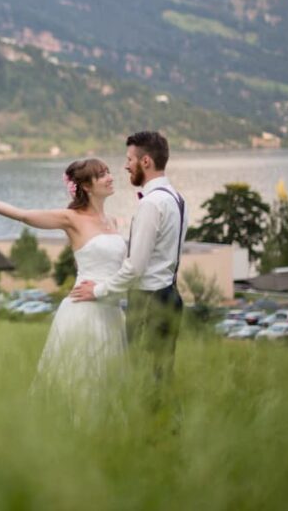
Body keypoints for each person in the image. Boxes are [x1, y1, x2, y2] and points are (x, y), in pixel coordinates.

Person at [0, 158, 127, 413]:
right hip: (84, 311)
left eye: (108, 172)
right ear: (87, 186)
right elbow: (23, 215)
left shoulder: (113, 222)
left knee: (111, 383)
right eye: (102, 175)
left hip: (112, 311)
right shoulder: (71, 218)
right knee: (84, 382)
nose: (110, 177)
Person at [69, 131, 187, 400]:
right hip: (171, 296)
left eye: (129, 159)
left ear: (145, 162)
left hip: (148, 302)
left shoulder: (152, 204)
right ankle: (168, 434)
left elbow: (135, 267)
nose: (125, 166)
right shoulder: (177, 199)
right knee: (162, 376)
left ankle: (148, 436)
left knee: (142, 380)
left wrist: (98, 290)